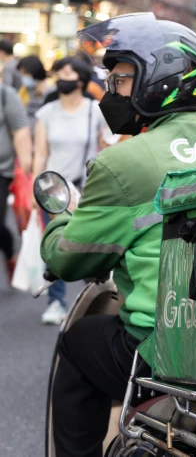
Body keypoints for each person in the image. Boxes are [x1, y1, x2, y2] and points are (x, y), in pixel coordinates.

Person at [40, 12, 196, 457]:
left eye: (121, 79)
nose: (111, 91)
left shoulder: (124, 163)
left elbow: (69, 259)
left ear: (157, 82)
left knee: (78, 343)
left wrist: (61, 221)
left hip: (167, 346)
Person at [33, 56, 108, 325]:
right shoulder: (47, 112)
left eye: (68, 72)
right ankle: (56, 301)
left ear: (81, 78)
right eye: (60, 72)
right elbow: (41, 153)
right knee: (56, 244)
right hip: (52, 189)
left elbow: (107, 145)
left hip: (86, 189)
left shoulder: (95, 109)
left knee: (88, 244)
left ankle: (98, 296)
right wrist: (35, 186)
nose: (63, 77)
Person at [0, 83, 32, 277]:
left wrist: (26, 169)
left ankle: (9, 250)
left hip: (2, 171)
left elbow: (20, 132)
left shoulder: (5, 94)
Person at [17, 55, 54, 128]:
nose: (23, 76)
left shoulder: (51, 89)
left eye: (25, 73)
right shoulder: (25, 89)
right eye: (22, 73)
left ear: (34, 71)